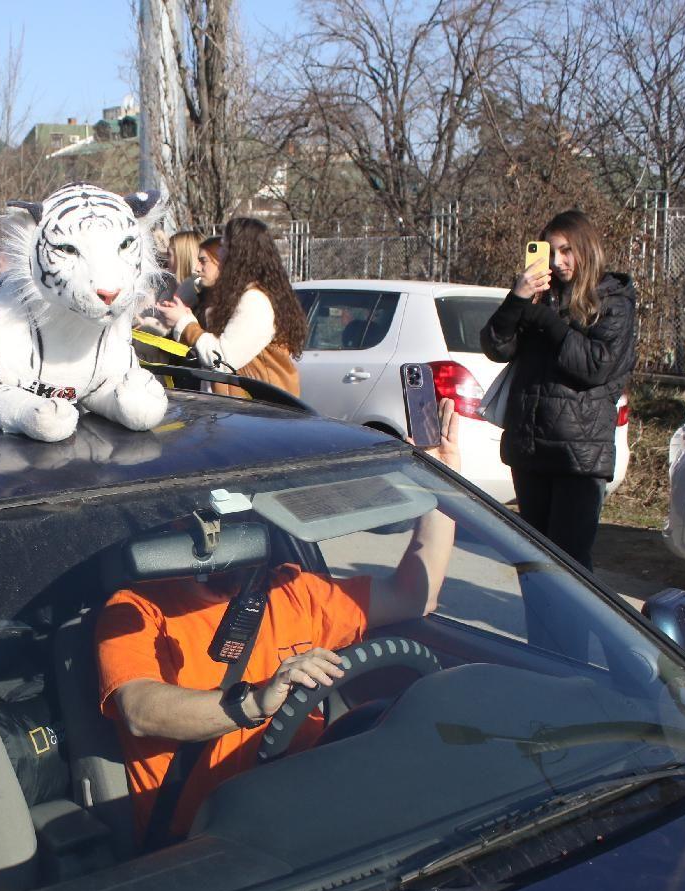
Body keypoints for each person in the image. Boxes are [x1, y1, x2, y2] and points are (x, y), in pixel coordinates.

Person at [97, 400, 460, 844]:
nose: (230, 526)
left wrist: (440, 489)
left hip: (307, 816)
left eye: (245, 511)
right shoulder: (135, 607)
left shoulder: (296, 591)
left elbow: (413, 595)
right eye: (211, 513)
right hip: (204, 842)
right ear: (178, 521)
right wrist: (254, 703)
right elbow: (139, 710)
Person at [481, 209, 636, 570]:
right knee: (534, 564)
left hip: (578, 455)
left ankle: (571, 630)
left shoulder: (612, 300)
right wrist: (517, 300)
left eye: (566, 250)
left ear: (587, 248)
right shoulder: (541, 296)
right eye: (550, 251)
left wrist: (544, 321)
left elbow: (594, 365)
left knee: (570, 568)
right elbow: (495, 346)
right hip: (531, 448)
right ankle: (538, 629)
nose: (557, 261)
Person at [154, 218, 305, 397]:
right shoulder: (240, 295)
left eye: (224, 246)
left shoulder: (255, 300)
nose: (220, 253)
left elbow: (223, 359)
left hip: (260, 412)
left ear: (240, 254)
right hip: (241, 411)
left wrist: (185, 323)